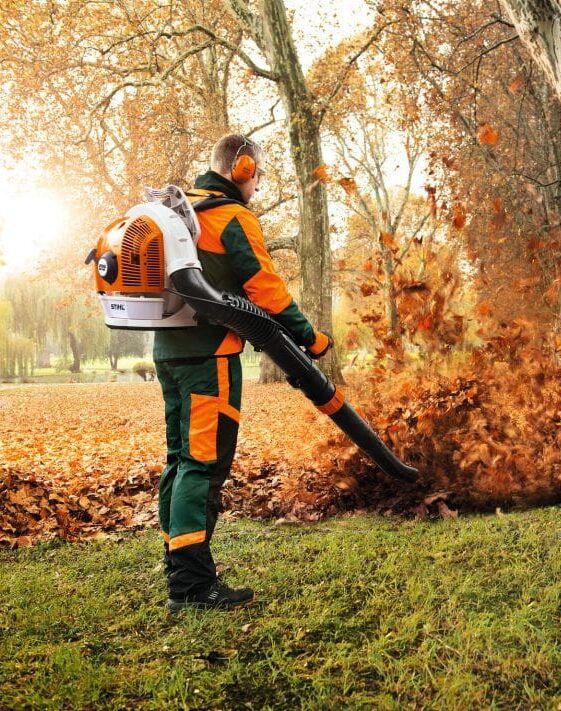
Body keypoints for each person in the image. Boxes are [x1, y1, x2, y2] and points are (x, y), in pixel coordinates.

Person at [154, 134, 333, 611]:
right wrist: (311, 339)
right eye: (258, 174)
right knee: (204, 464)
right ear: (244, 168)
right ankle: (192, 585)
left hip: (168, 352)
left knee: (179, 459)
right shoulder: (231, 216)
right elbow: (265, 288)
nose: (257, 184)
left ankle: (181, 565)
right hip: (210, 356)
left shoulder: (179, 208)